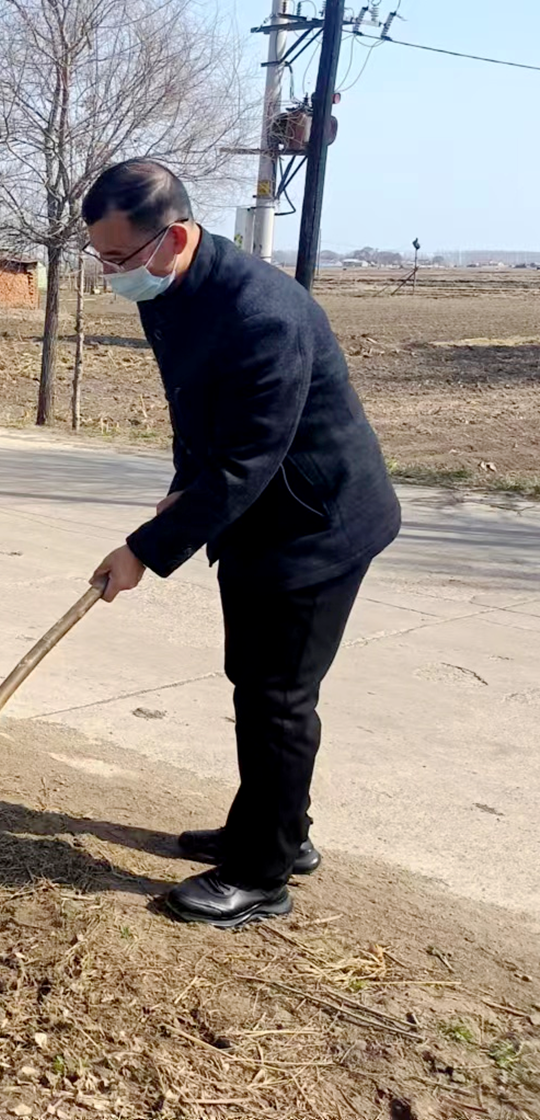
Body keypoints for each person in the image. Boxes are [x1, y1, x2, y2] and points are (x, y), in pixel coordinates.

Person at [82, 159, 401, 930]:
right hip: (257, 514)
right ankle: (278, 829)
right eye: (101, 259)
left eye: (120, 259)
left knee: (277, 698)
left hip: (315, 523)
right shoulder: (173, 291)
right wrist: (183, 482)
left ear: (177, 236)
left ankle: (263, 874)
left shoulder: (265, 313)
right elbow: (196, 411)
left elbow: (249, 459)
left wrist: (146, 547)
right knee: (255, 683)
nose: (112, 274)